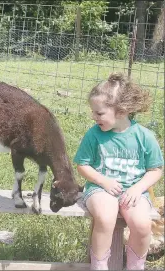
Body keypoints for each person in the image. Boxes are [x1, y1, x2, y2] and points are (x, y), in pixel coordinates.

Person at [74, 72, 164, 270]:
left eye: (99, 113)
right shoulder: (94, 135)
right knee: (106, 217)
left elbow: (156, 170)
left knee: (142, 225)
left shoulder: (144, 136)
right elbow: (83, 165)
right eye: (93, 112)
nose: (94, 117)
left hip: (134, 191)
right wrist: (103, 181)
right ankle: (99, 266)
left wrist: (138, 188)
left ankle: (135, 266)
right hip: (100, 188)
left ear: (121, 111)